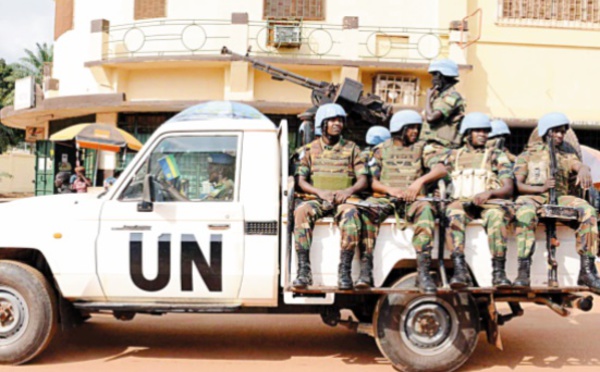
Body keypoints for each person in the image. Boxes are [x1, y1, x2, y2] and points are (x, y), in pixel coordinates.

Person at [361, 110, 448, 292]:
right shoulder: (381, 150)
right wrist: (389, 190)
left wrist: (419, 182)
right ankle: (365, 270)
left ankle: (423, 272)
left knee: (426, 209)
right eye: (411, 128)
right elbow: (370, 181)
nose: (415, 132)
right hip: (387, 198)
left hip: (413, 201)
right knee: (366, 212)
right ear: (399, 129)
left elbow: (441, 169)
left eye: (417, 128)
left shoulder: (422, 148)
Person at [512, 112, 600, 291]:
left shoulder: (566, 155)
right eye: (556, 132)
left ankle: (587, 270)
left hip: (560, 196)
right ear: (546, 132)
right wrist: (540, 188)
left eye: (562, 132)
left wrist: (584, 168)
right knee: (524, 212)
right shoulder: (527, 155)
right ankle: (523, 270)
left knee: (589, 211)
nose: (560, 135)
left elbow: (576, 164)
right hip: (534, 195)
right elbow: (518, 185)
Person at [292, 103, 368, 290]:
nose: (337, 124)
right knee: (301, 212)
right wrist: (320, 193)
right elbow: (301, 181)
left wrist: (347, 192)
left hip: (344, 200)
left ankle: (345, 271)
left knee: (351, 216)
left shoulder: (352, 149)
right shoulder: (309, 150)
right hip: (318, 199)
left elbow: (363, 180)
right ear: (322, 124)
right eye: (332, 120)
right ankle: (303, 270)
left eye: (340, 120)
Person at [445, 112, 514, 289]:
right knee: (453, 215)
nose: (483, 134)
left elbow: (508, 187)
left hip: (488, 203)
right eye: (478, 131)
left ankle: (498, 272)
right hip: (462, 203)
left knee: (496, 217)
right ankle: (459, 270)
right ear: (467, 133)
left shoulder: (495, 155)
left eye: (485, 131)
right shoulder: (454, 156)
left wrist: (489, 193)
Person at [422, 58, 466, 156]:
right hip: (433, 147)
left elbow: (431, 118)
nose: (433, 79)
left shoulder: (451, 96)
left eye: (434, 75)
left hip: (443, 149)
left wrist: (428, 97)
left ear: (439, 76)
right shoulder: (439, 96)